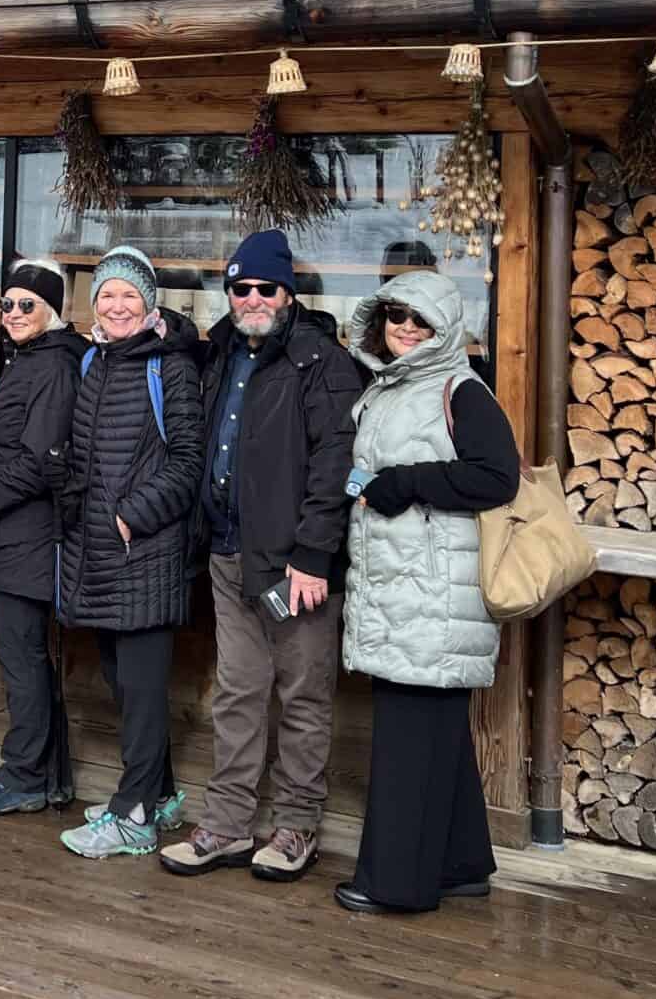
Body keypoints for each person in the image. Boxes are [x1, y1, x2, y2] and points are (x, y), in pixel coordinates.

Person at [159, 230, 365, 882]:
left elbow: (336, 464)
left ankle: (297, 826)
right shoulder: (220, 349)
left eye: (265, 288)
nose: (252, 298)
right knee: (238, 692)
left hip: (295, 563)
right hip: (230, 552)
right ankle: (227, 824)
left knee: (302, 695)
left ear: (288, 294)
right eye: (240, 287)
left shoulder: (322, 363)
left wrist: (313, 553)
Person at [326, 269, 520, 915]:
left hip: (433, 591)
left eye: (421, 321)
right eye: (396, 317)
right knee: (436, 733)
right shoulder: (389, 387)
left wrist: (407, 482)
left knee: (409, 737)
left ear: (445, 329)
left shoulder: (462, 391)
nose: (406, 329)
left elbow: (496, 476)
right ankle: (460, 864)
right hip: (401, 583)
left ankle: (396, 884)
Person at [54, 246, 205, 859]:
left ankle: (134, 815)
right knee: (124, 682)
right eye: (107, 295)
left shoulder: (170, 365)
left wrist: (132, 515)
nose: (118, 306)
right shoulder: (96, 359)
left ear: (150, 303)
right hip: (98, 552)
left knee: (141, 689)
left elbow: (189, 460)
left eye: (129, 295)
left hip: (145, 552)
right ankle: (159, 794)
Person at [0, 258, 85, 816]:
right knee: (29, 656)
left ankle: (24, 775)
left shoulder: (52, 366)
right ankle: (51, 775)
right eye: (6, 304)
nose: (12, 313)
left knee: (22, 657)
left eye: (27, 305)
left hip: (28, 536)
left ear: (51, 310)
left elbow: (36, 463)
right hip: (11, 536)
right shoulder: (30, 360)